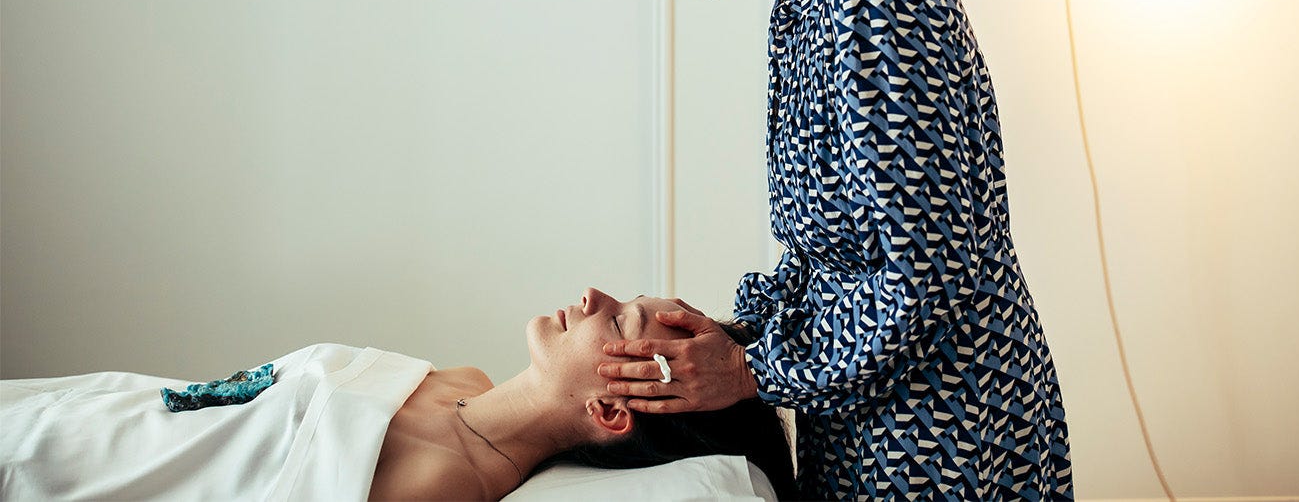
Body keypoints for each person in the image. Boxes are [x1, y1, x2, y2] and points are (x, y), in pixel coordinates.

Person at [596, 0, 1074, 500]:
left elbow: (926, 274)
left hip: (945, 429)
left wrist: (752, 369)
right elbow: (829, 253)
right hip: (868, 417)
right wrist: (735, 334)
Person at [0, 289, 797, 501]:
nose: (591, 295)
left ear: (611, 411)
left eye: (618, 318)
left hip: (59, 470)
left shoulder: (437, 483)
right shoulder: (461, 384)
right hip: (81, 407)